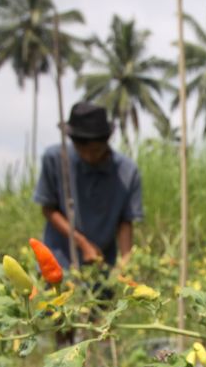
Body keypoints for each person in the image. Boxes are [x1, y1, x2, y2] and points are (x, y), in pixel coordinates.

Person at [33, 100, 142, 272]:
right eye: (82, 150)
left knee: (99, 297)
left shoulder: (127, 172)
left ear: (106, 141)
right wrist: (82, 243)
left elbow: (125, 222)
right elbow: (48, 209)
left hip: (101, 267)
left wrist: (126, 263)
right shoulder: (54, 159)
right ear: (73, 142)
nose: (89, 157)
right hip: (58, 264)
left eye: (95, 150)